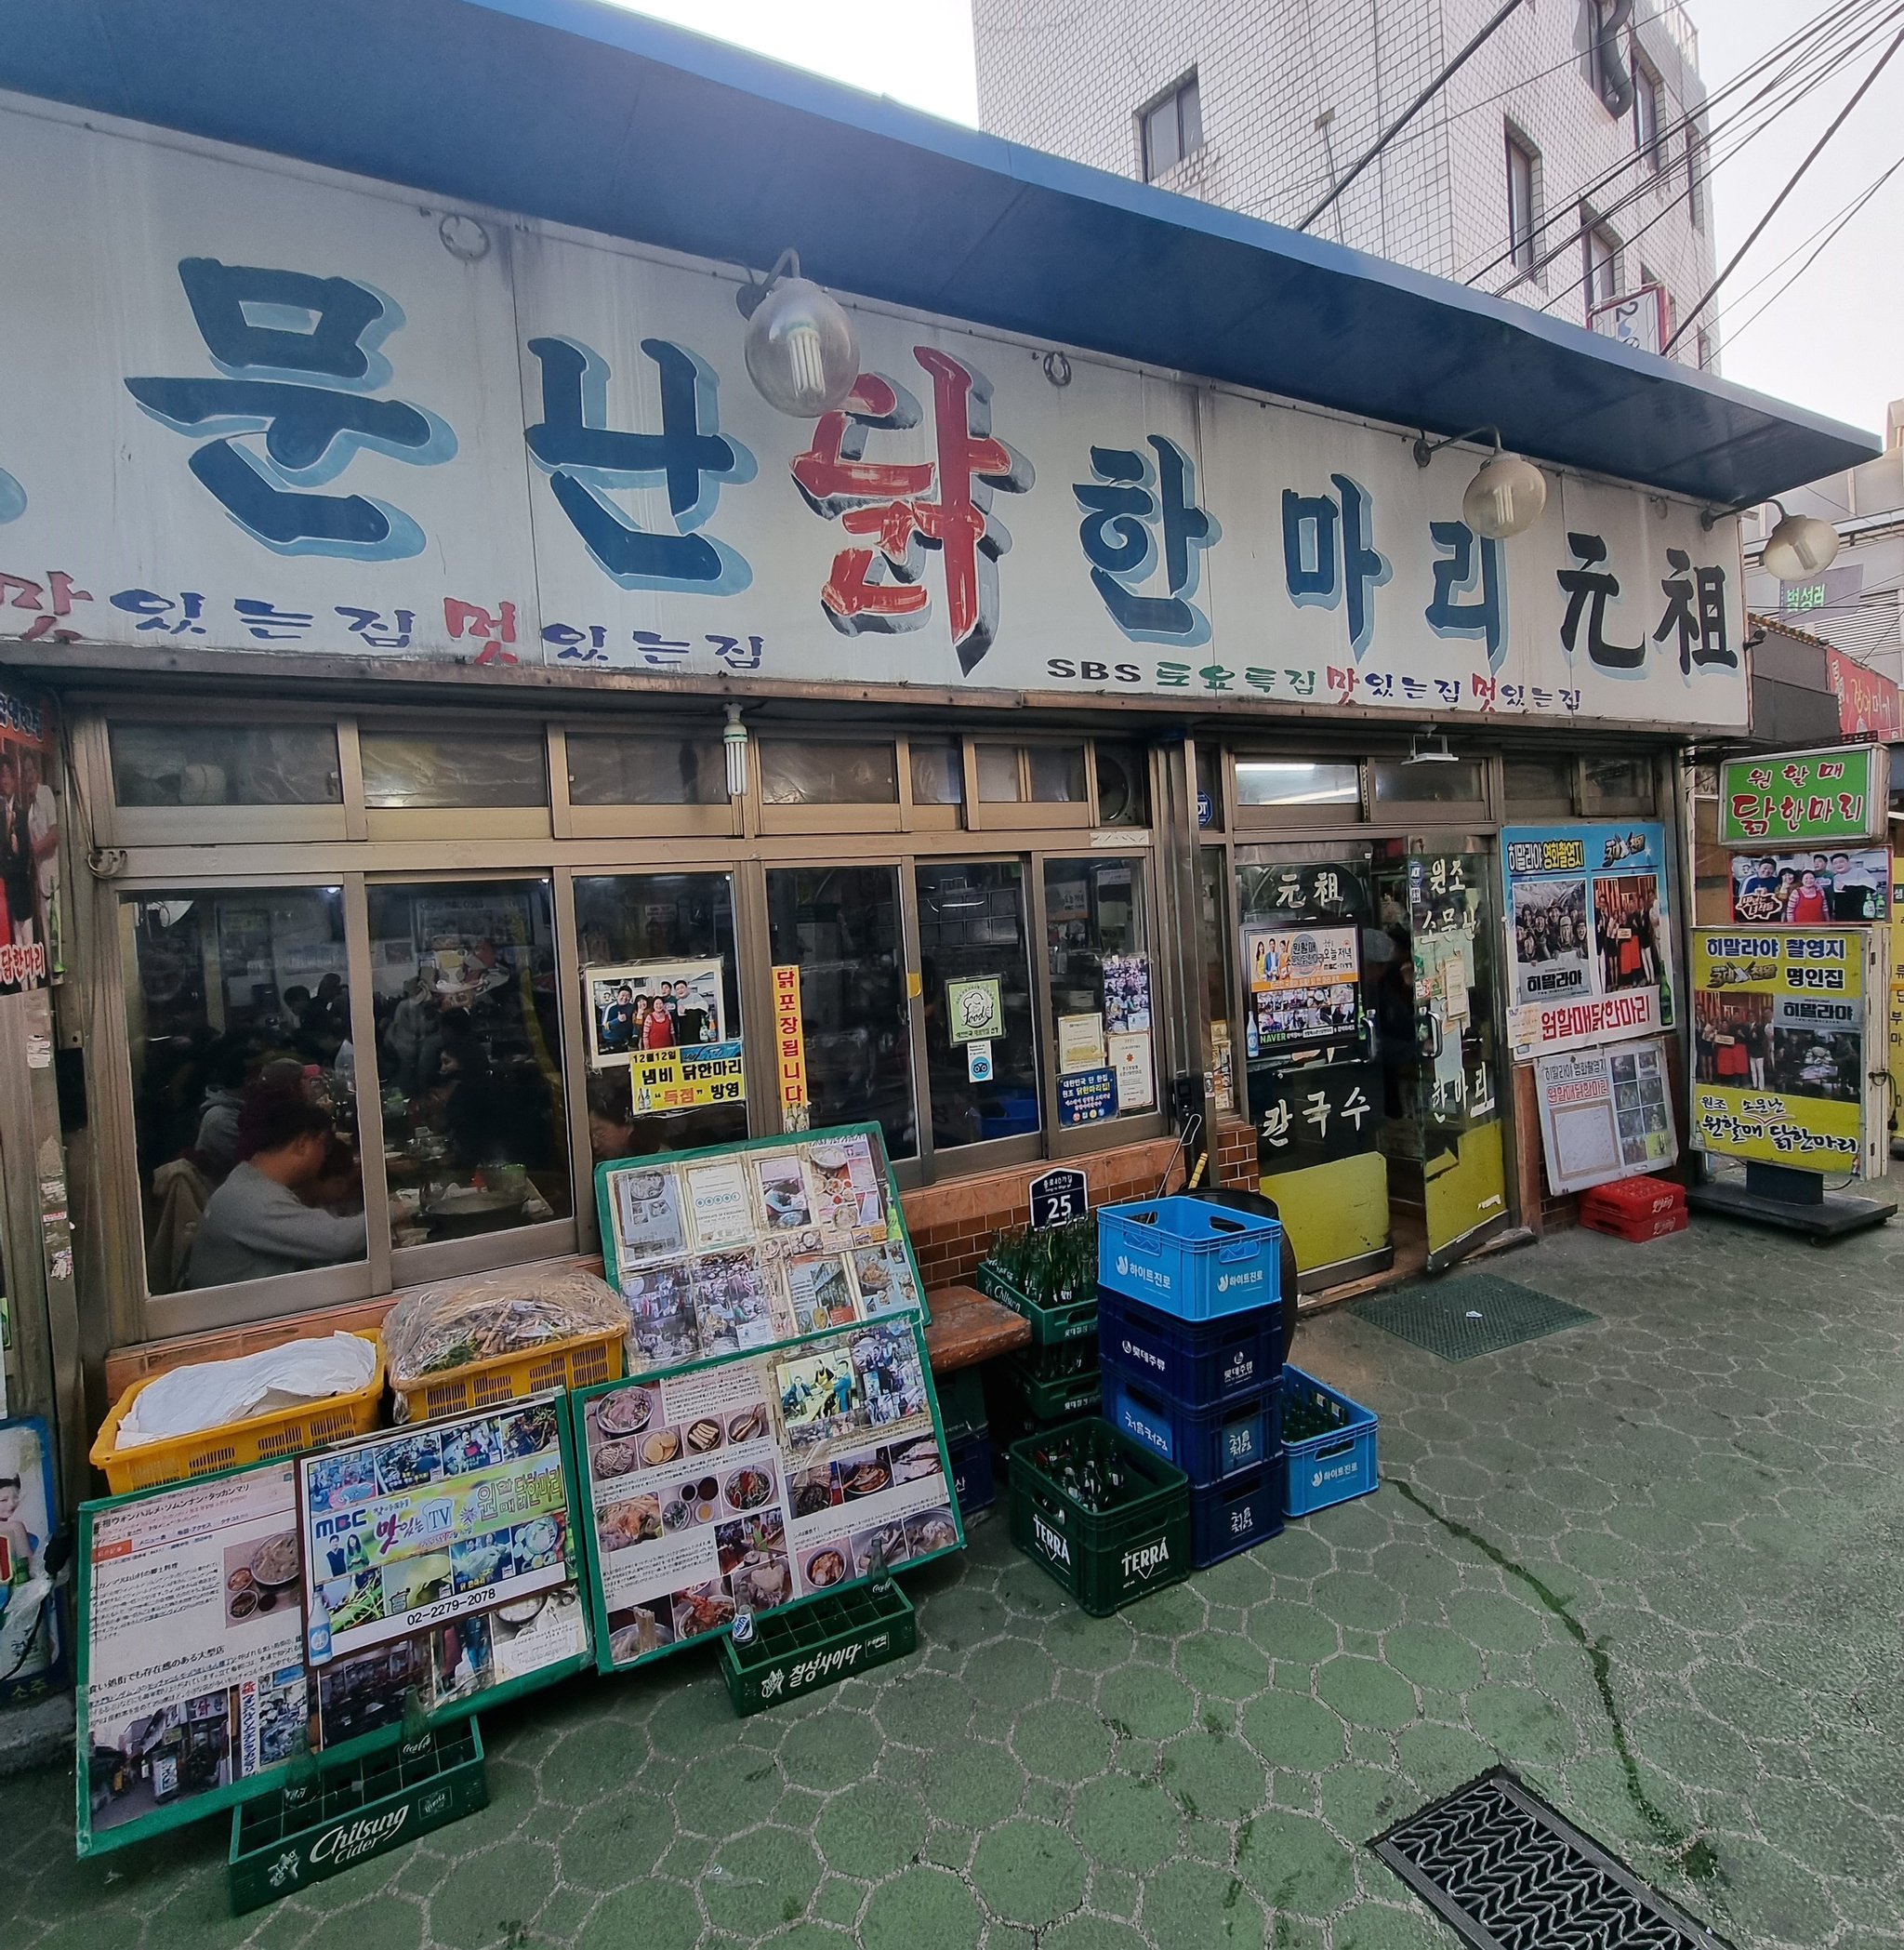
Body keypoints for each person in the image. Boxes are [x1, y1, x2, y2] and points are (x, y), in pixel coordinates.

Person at [187, 1089, 365, 1288]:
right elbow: (337, 1240)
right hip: (243, 1313)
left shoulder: (246, 1179)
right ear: (303, 1144)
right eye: (323, 1146)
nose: (324, 1156)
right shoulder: (254, 1199)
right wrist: (396, 1209)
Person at [21, 751, 57, 955]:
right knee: (46, 931)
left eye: (30, 770)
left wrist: (34, 848)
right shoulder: (31, 808)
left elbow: (54, 835)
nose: (28, 776)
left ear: (36, 771)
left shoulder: (45, 793)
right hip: (41, 879)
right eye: (25, 772)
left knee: (54, 931)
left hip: (54, 877)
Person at [0, 755, 33, 952]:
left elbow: (27, 851)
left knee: (26, 936)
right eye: (2, 776)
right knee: (13, 938)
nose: (5, 781)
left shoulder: (23, 813)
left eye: (8, 776)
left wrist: (17, 848)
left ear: (14, 779)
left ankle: (32, 980)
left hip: (20, 882)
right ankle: (22, 982)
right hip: (4, 885)